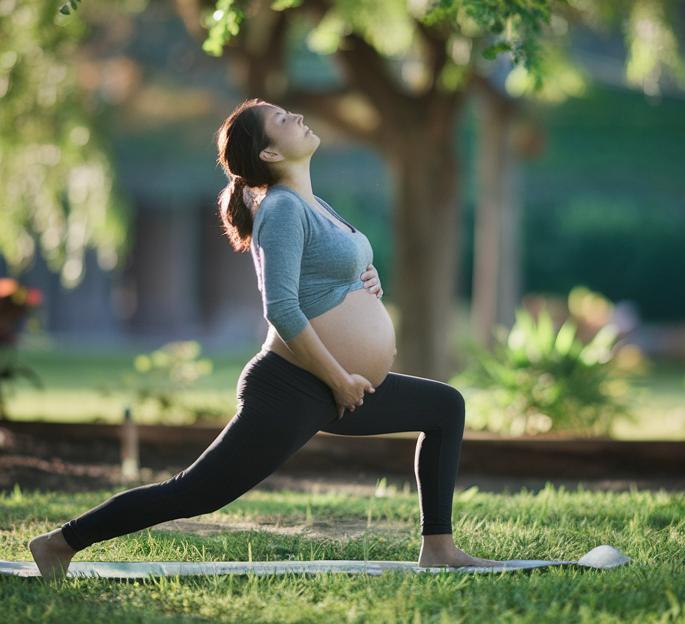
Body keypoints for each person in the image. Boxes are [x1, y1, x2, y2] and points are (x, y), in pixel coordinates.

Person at [28, 98, 499, 578]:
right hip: (293, 386)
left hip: (340, 383)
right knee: (194, 492)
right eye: (281, 120)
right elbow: (280, 305)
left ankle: (437, 545)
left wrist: (366, 275)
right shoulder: (282, 209)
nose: (295, 116)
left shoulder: (315, 204)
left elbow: (328, 271)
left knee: (444, 407)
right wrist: (337, 378)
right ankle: (59, 543)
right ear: (270, 154)